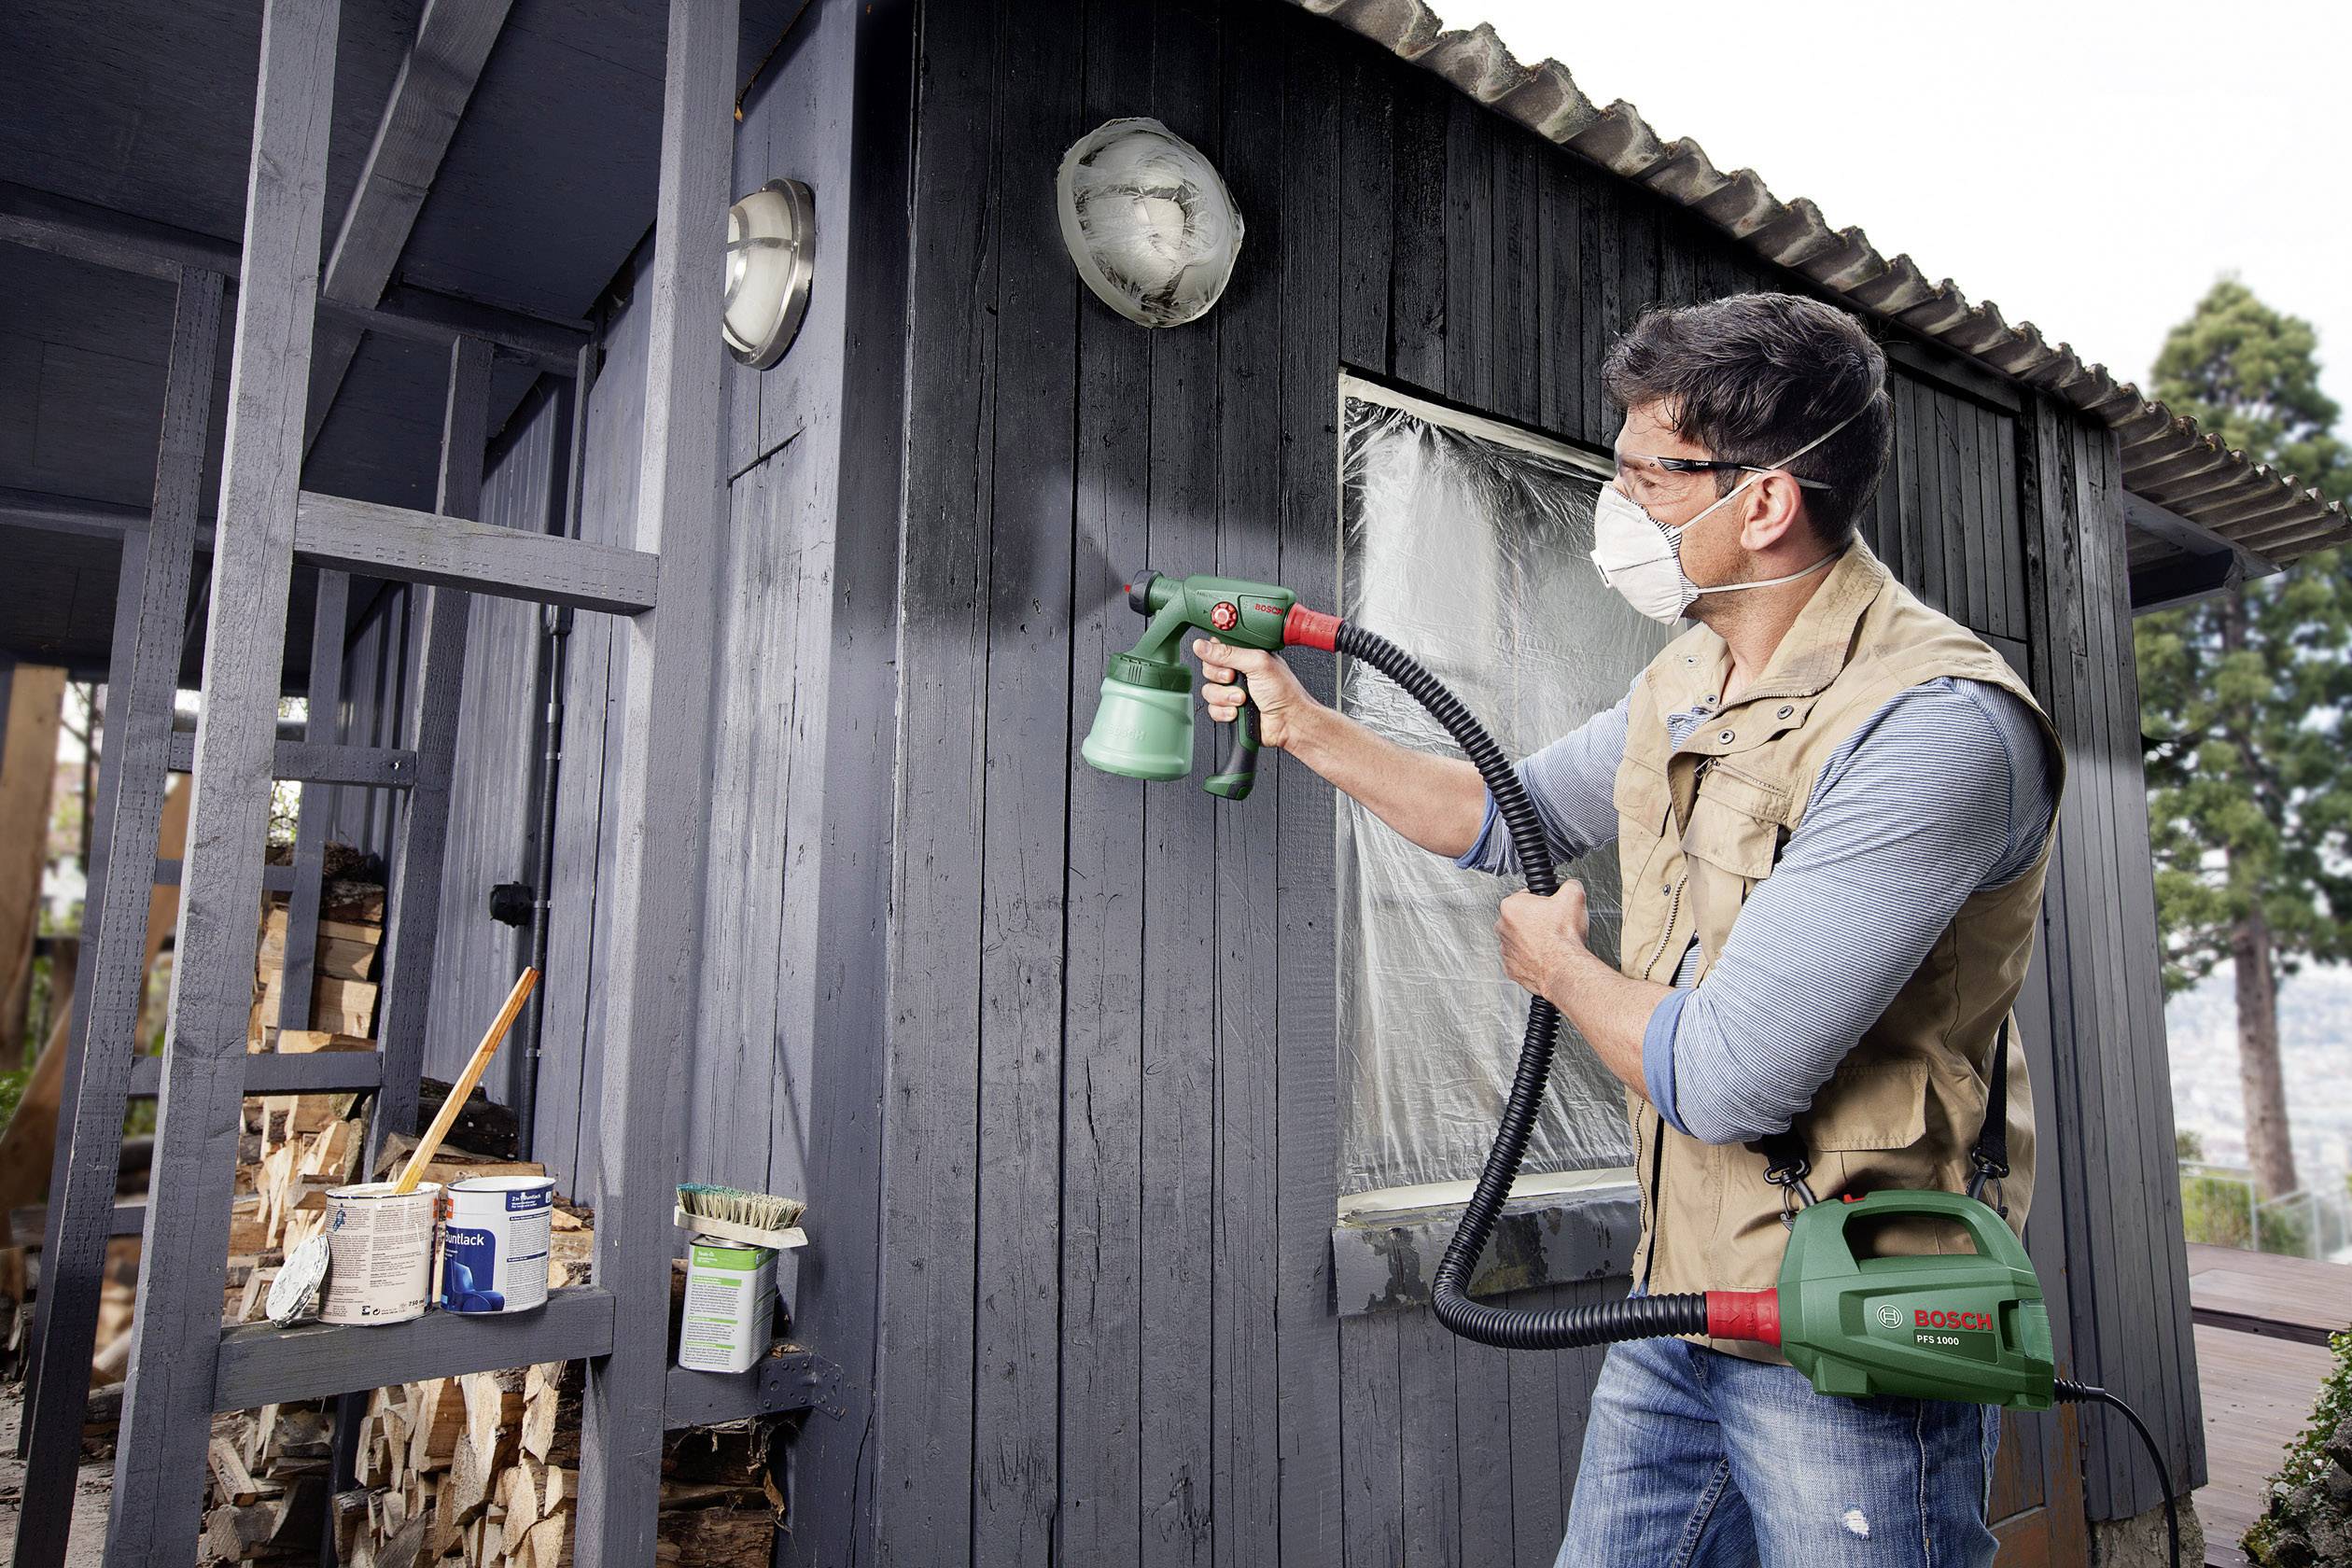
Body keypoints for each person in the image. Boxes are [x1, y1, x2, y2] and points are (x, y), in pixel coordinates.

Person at [1196, 291, 2062, 1568]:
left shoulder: (1930, 727)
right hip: (1685, 1296)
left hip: (1849, 1325)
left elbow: (1726, 1076)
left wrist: (1556, 968)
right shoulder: (1691, 678)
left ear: (1761, 504)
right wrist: (1304, 722)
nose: (1621, 506)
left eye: (1648, 473)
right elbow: (1507, 812)